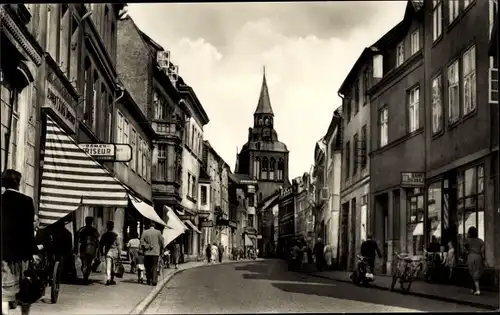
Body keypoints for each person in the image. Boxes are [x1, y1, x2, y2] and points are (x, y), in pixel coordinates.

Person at [1, 169, 40, 315]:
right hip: (19, 255)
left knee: (4, 293)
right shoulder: (26, 201)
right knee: (25, 288)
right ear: (18, 183)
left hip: (3, 254)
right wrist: (33, 252)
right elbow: (28, 231)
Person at [76, 216, 100, 284]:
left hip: (83, 247)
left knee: (84, 263)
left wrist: (75, 249)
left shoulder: (81, 229)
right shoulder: (94, 230)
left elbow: (77, 239)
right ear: (91, 222)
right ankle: (86, 276)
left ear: (85, 221)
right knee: (89, 263)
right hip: (92, 248)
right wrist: (98, 250)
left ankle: (84, 275)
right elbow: (97, 240)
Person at [140, 221, 164, 285]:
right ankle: (154, 281)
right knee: (154, 266)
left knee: (147, 267)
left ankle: (148, 280)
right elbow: (162, 242)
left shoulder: (145, 232)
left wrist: (147, 246)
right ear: (154, 226)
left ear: (149, 226)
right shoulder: (158, 232)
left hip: (147, 252)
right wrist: (162, 249)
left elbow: (141, 241)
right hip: (156, 252)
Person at [464, 226, 485, 295]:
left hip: (471, 257)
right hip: (478, 257)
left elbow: (465, 250)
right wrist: (483, 258)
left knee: (472, 272)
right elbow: (482, 251)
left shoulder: (467, 240)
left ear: (470, 233)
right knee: (477, 271)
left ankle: (477, 290)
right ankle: (473, 288)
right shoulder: (480, 240)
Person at [99, 221, 120, 286]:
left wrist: (101, 252)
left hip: (107, 252)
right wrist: (119, 253)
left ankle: (108, 278)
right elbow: (118, 245)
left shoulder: (104, 235)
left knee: (108, 265)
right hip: (115, 252)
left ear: (107, 227)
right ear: (113, 227)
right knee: (113, 266)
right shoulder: (115, 235)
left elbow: (101, 244)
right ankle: (112, 279)